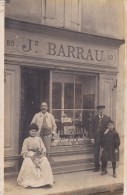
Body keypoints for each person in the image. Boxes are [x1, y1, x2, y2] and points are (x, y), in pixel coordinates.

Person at [17, 123, 54, 188]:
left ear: (36, 131)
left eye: (35, 131)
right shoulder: (26, 140)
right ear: (29, 131)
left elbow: (43, 148)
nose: (33, 132)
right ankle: (30, 182)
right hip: (30, 155)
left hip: (39, 154)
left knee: (45, 160)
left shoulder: (39, 139)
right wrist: (31, 156)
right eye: (32, 131)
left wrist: (40, 151)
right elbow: (24, 151)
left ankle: (46, 181)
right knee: (28, 162)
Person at [89, 105, 111, 172]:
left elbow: (111, 126)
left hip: (104, 139)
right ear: (98, 111)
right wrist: (92, 138)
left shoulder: (107, 118)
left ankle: (104, 168)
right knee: (96, 153)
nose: (101, 111)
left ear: (104, 110)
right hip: (96, 139)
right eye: (99, 109)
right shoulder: (94, 118)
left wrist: (107, 131)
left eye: (102, 109)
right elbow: (91, 129)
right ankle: (97, 167)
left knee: (104, 153)